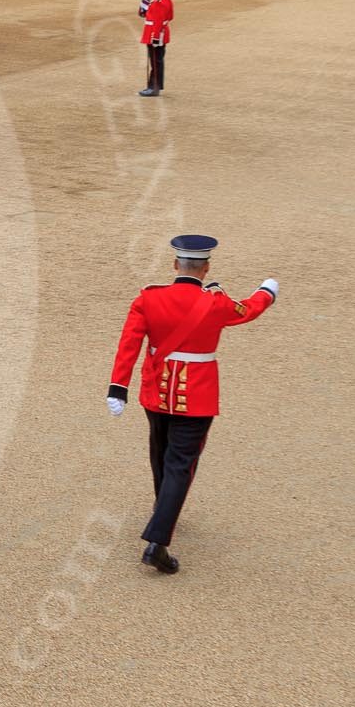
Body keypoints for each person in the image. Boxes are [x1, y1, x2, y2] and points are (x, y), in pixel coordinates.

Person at [107, 236, 278, 573]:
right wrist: (267, 291)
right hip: (196, 395)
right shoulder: (215, 303)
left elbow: (129, 342)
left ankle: (163, 506)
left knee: (160, 452)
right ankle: (158, 540)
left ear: (175, 265)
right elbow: (249, 309)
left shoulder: (148, 299)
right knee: (180, 465)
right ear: (206, 268)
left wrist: (118, 387)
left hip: (155, 390)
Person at [137, 0, 175, 98]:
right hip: (160, 34)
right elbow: (169, 17)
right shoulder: (166, 0)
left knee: (154, 61)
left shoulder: (160, 2)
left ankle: (153, 87)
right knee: (157, 61)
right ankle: (155, 86)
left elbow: (158, 21)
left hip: (155, 36)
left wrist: (155, 36)